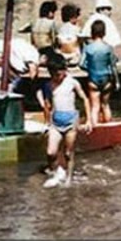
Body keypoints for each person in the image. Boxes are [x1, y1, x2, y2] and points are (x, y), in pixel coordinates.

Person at [36, 54, 92, 188]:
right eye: (56, 75)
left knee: (68, 152)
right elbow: (47, 104)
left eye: (62, 74)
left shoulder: (72, 82)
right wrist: (47, 123)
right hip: (56, 123)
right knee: (51, 152)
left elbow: (84, 99)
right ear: (51, 73)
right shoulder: (49, 85)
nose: (60, 77)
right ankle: (56, 172)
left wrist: (88, 120)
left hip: (71, 121)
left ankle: (68, 178)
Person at [80, 19, 119, 126]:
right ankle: (108, 129)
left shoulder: (88, 48)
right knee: (105, 105)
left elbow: (81, 64)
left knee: (95, 107)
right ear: (104, 33)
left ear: (92, 33)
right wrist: (117, 82)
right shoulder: (108, 48)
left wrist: (89, 68)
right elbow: (113, 66)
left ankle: (95, 129)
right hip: (106, 79)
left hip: (93, 79)